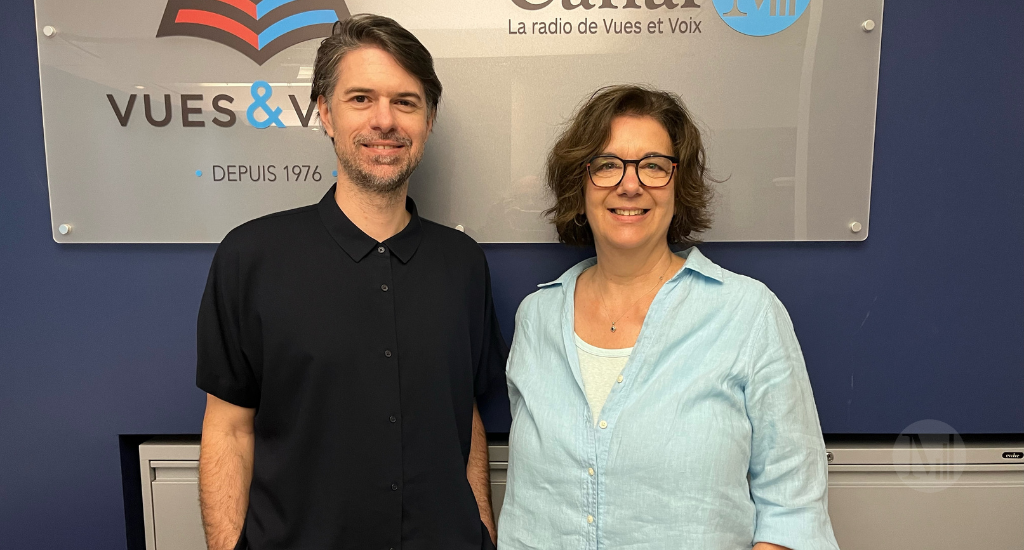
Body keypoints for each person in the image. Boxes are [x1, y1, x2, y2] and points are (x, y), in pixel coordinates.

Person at [196, 14, 506, 550]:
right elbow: (228, 431)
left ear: (429, 119)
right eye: (361, 98)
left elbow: (465, 417)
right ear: (325, 112)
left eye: (405, 102)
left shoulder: (463, 264)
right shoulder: (252, 257)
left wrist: (483, 531)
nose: (384, 121)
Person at [498, 85, 839, 550]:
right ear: (581, 182)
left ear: (679, 185)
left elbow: (793, 509)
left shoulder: (747, 314)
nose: (630, 184)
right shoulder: (537, 318)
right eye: (607, 165)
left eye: (653, 166)